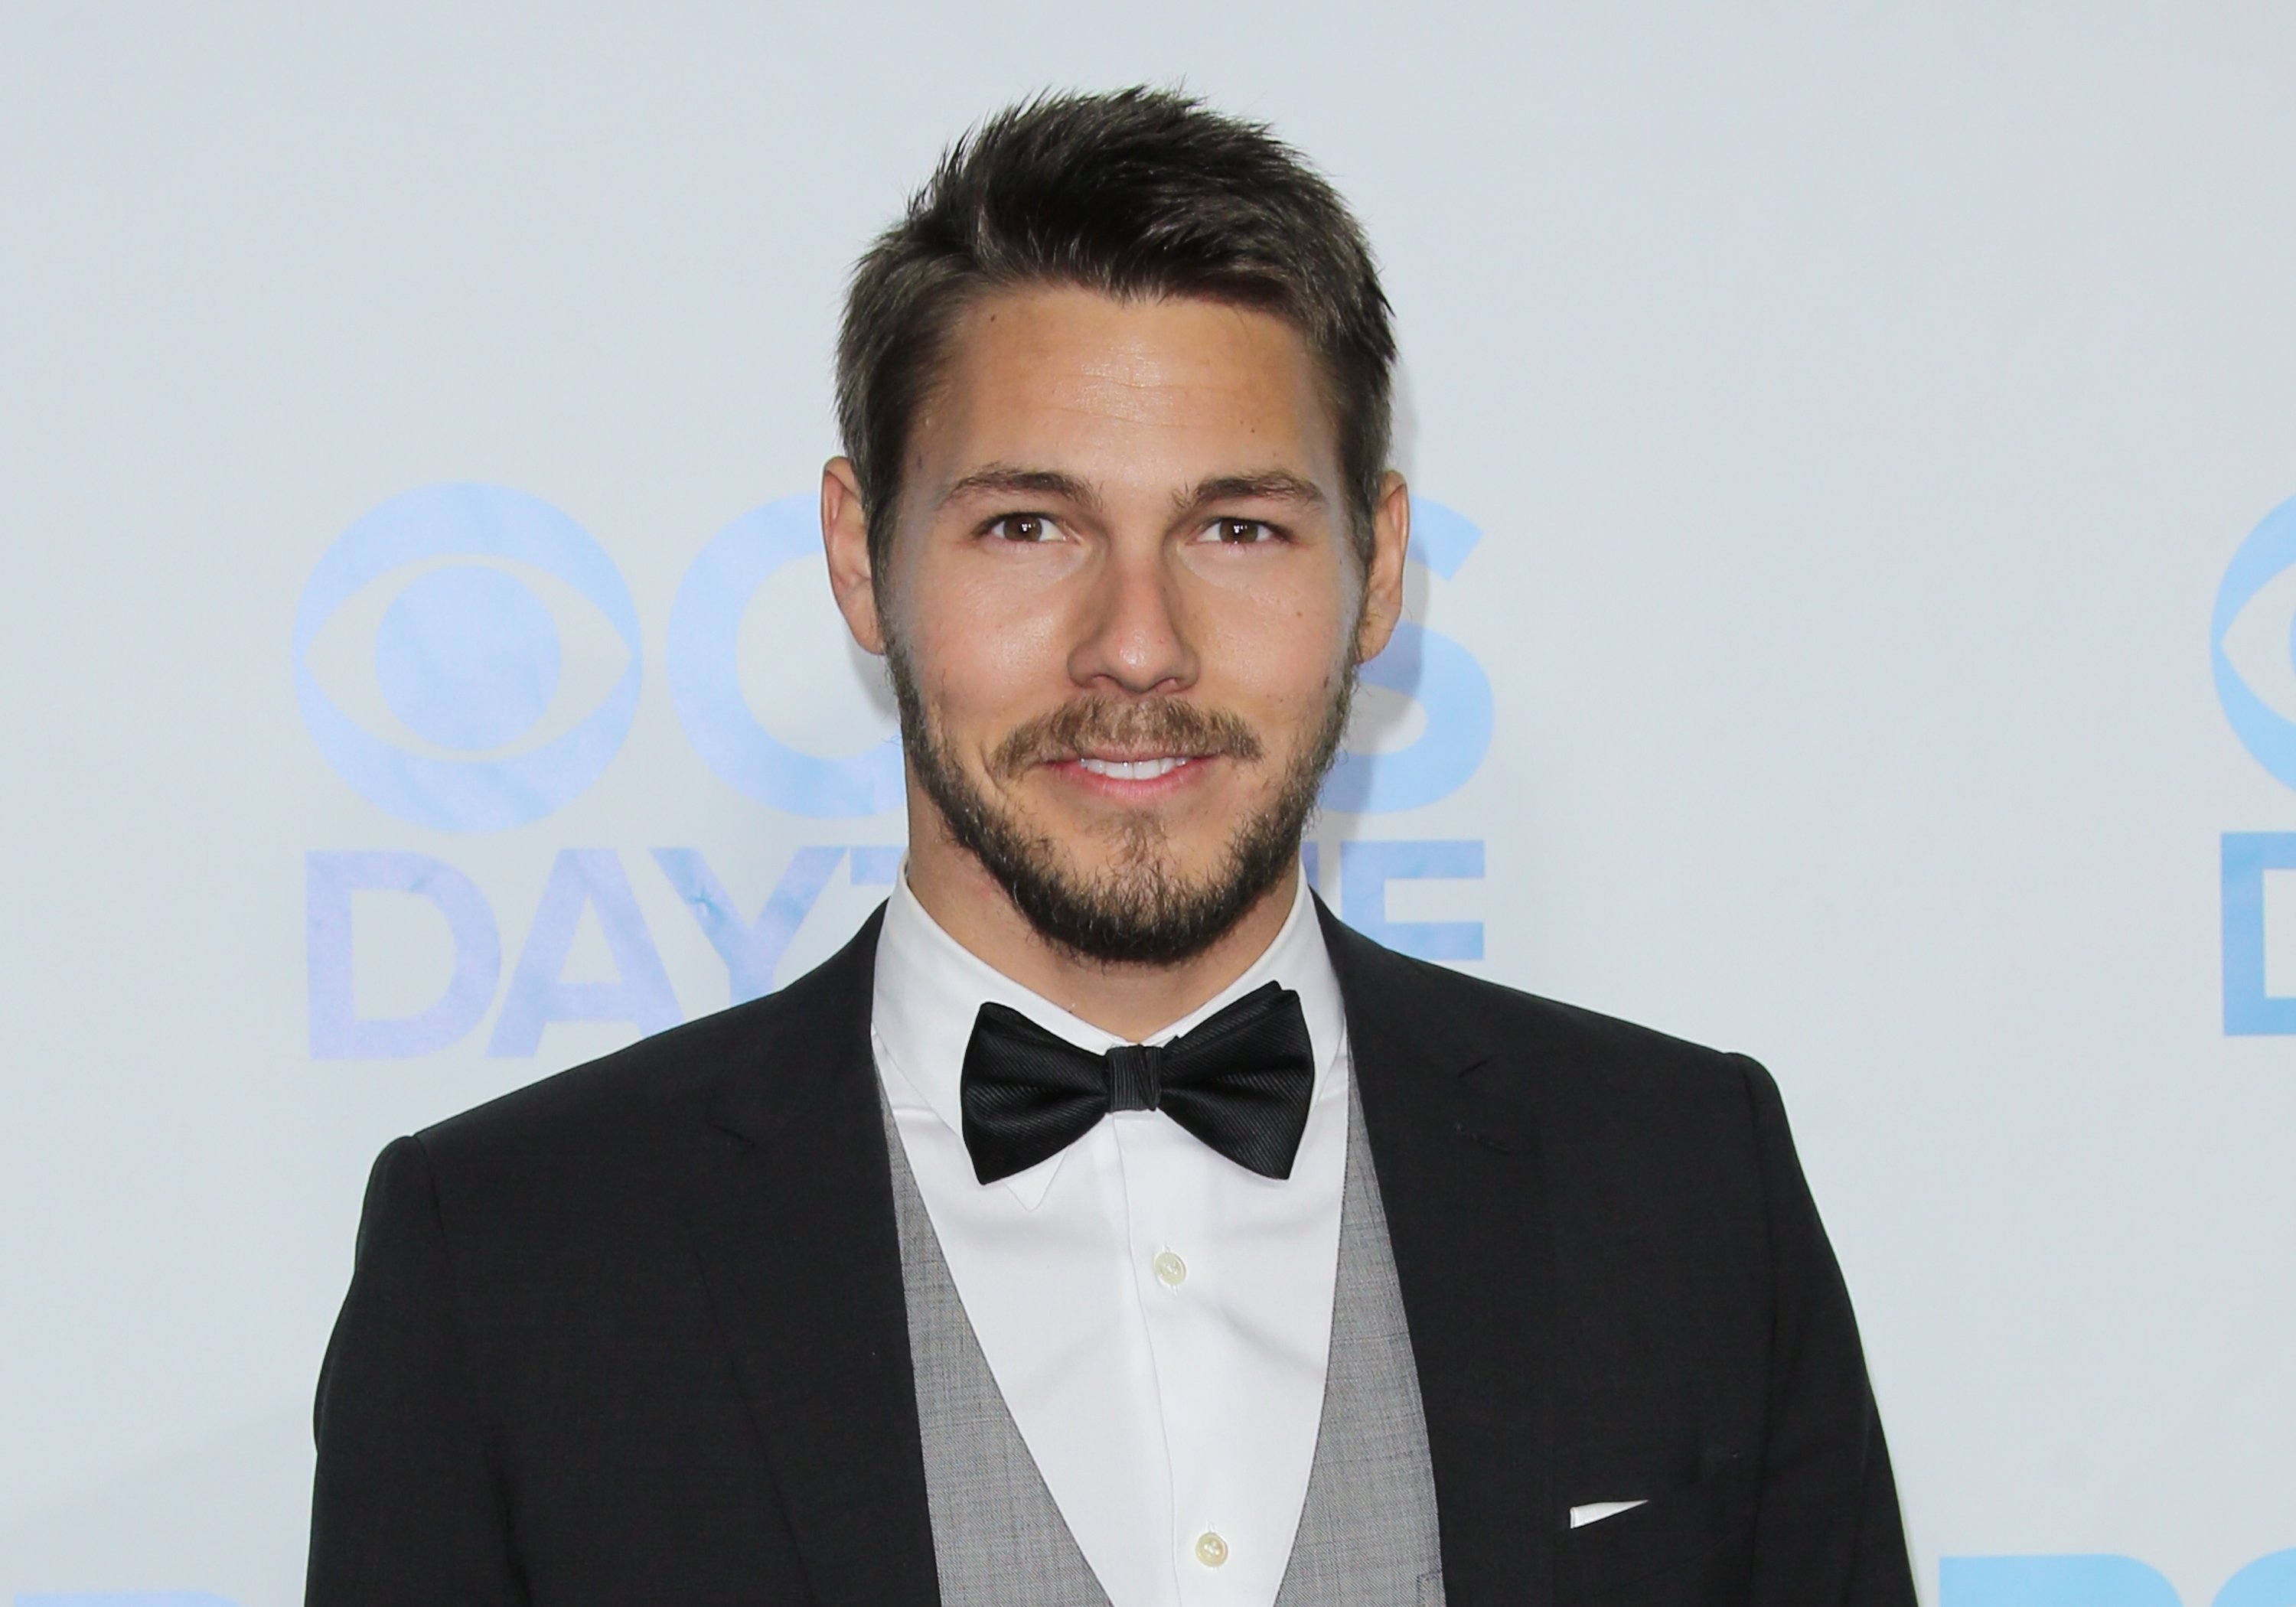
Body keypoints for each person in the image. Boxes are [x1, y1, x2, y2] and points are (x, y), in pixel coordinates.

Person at [305, 88, 1917, 1607]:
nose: (1137, 646)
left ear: (1379, 572)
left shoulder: (1685, 1184)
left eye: (1238, 529)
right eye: (1029, 526)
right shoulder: (514, 1261)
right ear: (863, 562)